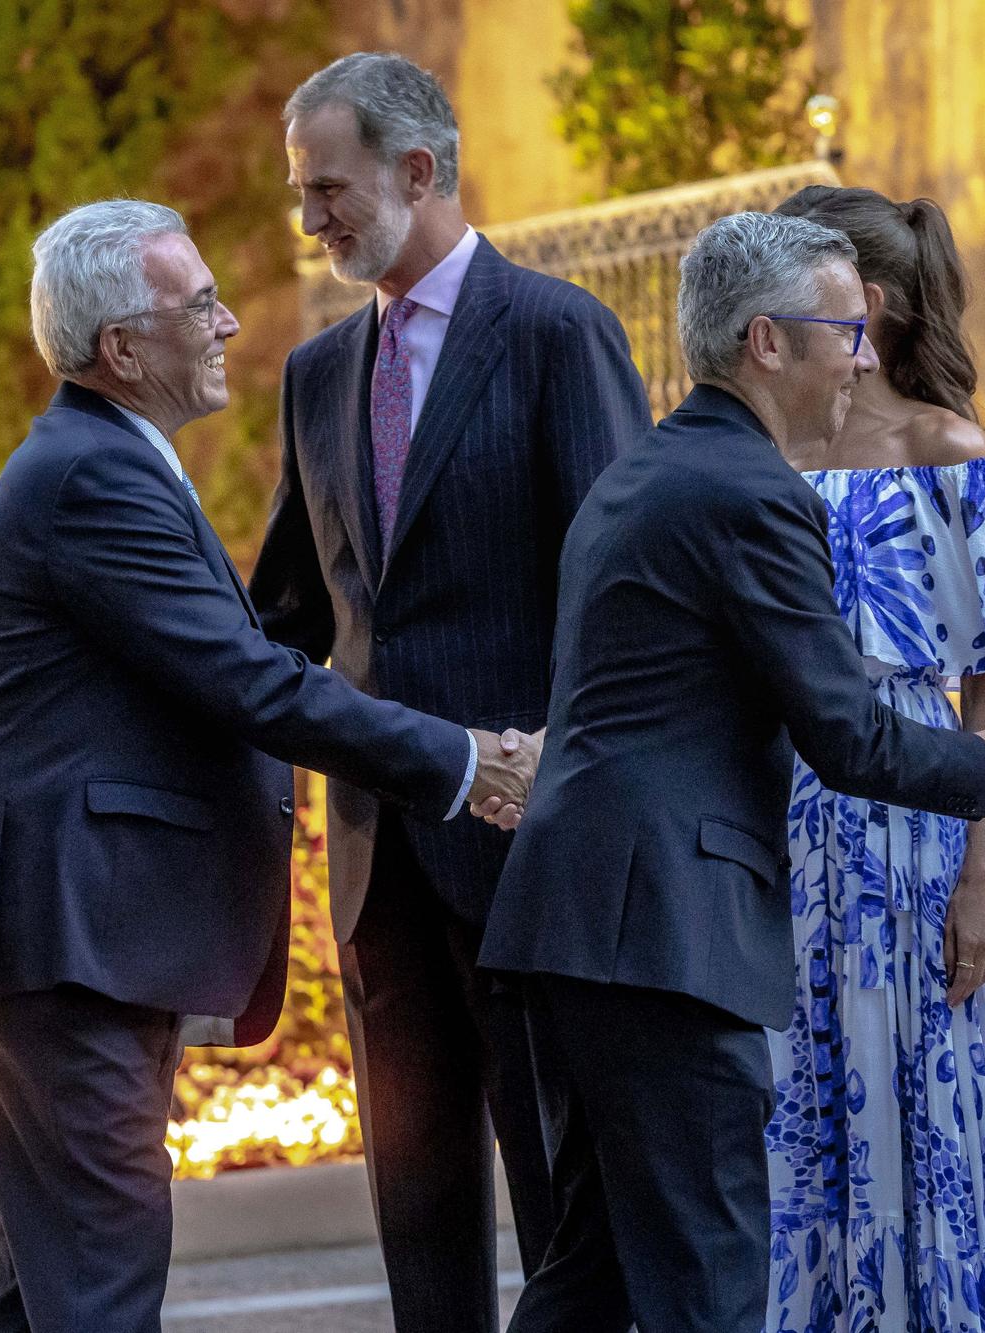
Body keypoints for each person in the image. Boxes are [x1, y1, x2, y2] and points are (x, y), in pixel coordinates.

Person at [0, 199, 533, 1333]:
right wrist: (462, 759)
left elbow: (241, 654)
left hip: (70, 944)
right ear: (123, 348)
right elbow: (250, 681)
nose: (228, 322)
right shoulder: (90, 479)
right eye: (197, 304)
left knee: (36, 1295)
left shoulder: (104, 462)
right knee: (98, 1290)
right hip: (66, 944)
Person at [479, 210, 985, 1333]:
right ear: (766, 341)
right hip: (657, 934)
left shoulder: (660, 465)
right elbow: (844, 732)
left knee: (592, 1274)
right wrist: (982, 768)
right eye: (839, 331)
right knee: (711, 1279)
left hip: (593, 921)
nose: (859, 354)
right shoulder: (748, 493)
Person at [251, 53, 653, 1330]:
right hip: (378, 865)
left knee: (562, 1221)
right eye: (299, 191)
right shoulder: (317, 374)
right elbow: (285, 615)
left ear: (416, 170)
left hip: (530, 857)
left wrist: (579, 802)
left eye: (326, 187)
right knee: (417, 1223)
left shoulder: (555, 333)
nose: (307, 217)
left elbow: (624, 602)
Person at [760, 184, 985, 1332]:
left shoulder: (949, 453)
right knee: (798, 1113)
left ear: (866, 301)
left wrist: (981, 876)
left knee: (929, 1114)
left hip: (914, 825)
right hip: (777, 822)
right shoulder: (762, 443)